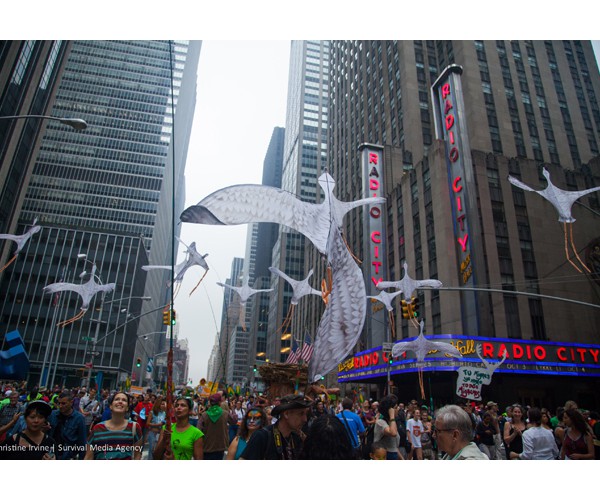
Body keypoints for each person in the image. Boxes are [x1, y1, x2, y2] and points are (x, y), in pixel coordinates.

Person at [240, 394, 311, 460]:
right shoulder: (262, 437)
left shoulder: (297, 439)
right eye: (301, 414)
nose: (305, 419)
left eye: (305, 414)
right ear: (286, 414)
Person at [85, 391, 143, 460]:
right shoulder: (97, 428)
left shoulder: (134, 427)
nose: (120, 402)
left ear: (127, 407)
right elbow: (88, 456)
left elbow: (137, 455)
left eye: (124, 400)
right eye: (117, 399)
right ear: (111, 406)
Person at [47, 391, 88, 459]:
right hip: (51, 453)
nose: (60, 406)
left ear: (71, 402)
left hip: (67, 455)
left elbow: (82, 441)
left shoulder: (79, 418)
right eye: (59, 403)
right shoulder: (52, 415)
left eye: (63, 403)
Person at [199, 393, 230, 459]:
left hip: (207, 447)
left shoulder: (204, 415)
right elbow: (234, 421)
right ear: (219, 402)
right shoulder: (225, 413)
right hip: (220, 446)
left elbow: (198, 430)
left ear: (210, 402)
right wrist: (232, 408)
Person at [373, 394, 402, 460]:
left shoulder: (392, 423)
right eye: (396, 407)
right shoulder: (380, 422)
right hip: (383, 456)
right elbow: (393, 433)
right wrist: (392, 416)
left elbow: (394, 447)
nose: (398, 409)